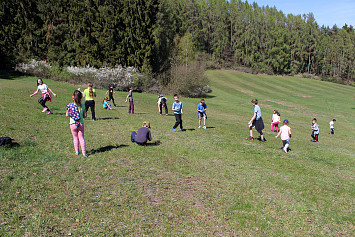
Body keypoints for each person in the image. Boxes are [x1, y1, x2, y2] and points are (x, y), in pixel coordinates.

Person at [66, 90, 88, 157]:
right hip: (80, 123)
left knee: (75, 137)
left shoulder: (70, 105)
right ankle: (84, 153)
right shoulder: (83, 106)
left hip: (73, 124)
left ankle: (77, 152)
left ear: (73, 97)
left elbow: (67, 114)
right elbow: (85, 116)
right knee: (81, 138)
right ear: (81, 98)